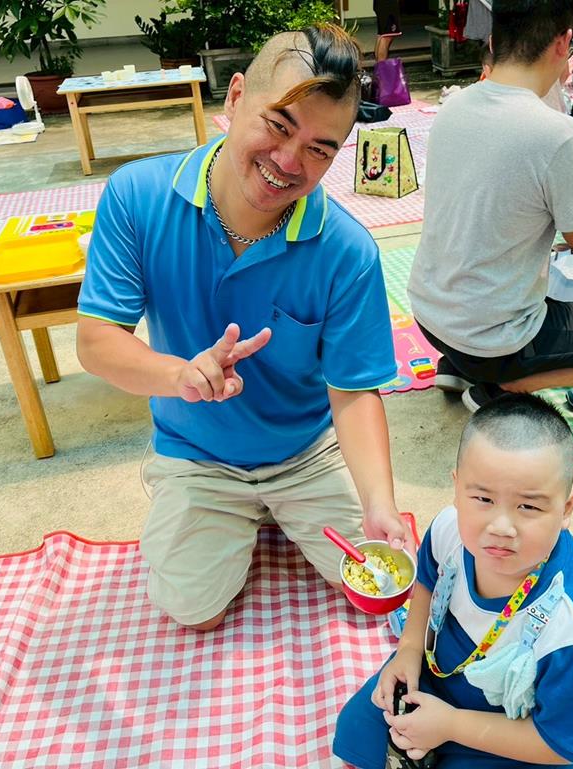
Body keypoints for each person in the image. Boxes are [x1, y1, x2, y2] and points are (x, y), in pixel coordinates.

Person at [76, 25, 409, 632]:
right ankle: (211, 507)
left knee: (376, 585)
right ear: (234, 98)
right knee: (194, 611)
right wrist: (180, 375)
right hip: (197, 452)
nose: (288, 162)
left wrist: (380, 503)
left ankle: (280, 510)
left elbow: (354, 391)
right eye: (278, 125)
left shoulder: (347, 251)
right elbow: (97, 343)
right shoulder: (137, 197)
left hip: (306, 452)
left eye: (320, 149)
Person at [333, 393, 573, 769]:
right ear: (457, 488)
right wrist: (409, 649)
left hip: (513, 733)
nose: (501, 527)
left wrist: (451, 725)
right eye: (482, 499)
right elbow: (427, 578)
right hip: (437, 677)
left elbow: (564, 744)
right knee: (356, 729)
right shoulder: (449, 529)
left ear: (566, 508)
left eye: (528, 506)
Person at [408, 0, 573, 416]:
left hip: (429, 315)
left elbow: (499, 169)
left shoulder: (454, 104)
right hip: (495, 340)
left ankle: (458, 367)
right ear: (564, 42)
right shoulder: (557, 133)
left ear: (493, 39)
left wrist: (566, 165)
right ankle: (507, 385)